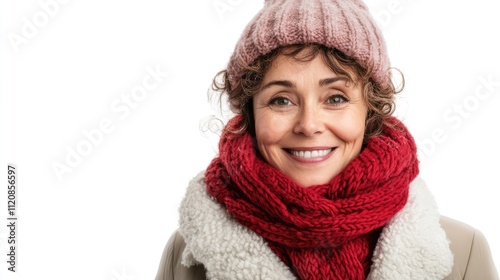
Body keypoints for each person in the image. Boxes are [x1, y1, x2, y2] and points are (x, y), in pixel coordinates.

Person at [155, 0, 499, 279]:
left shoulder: (462, 251)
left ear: (370, 111)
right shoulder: (188, 254)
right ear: (250, 114)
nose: (308, 124)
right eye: (281, 100)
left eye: (335, 98)